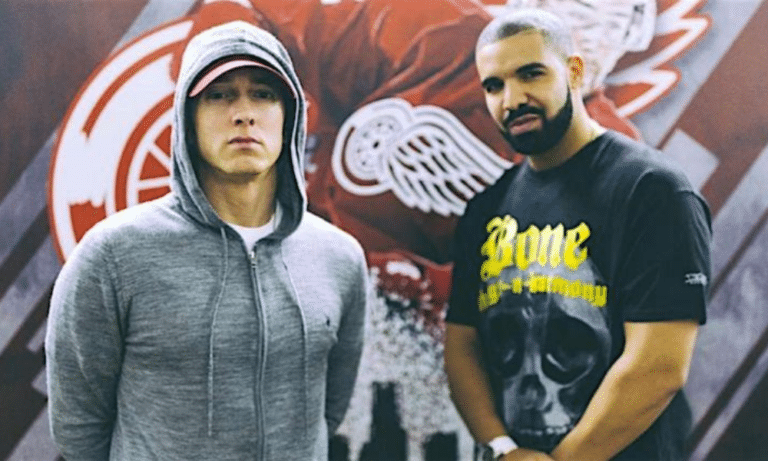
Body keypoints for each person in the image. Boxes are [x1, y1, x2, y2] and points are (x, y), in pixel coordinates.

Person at [45, 20, 368, 460]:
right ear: (187, 118)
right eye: (219, 95)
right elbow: (78, 427)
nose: (244, 113)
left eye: (263, 94)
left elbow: (329, 409)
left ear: (289, 116)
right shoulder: (114, 256)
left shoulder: (339, 258)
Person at [444, 9, 710, 461]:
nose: (512, 99)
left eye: (531, 74)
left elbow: (658, 367)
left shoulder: (652, 191)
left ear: (574, 72)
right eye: (494, 85)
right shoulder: (487, 208)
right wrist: (504, 449)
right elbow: (462, 345)